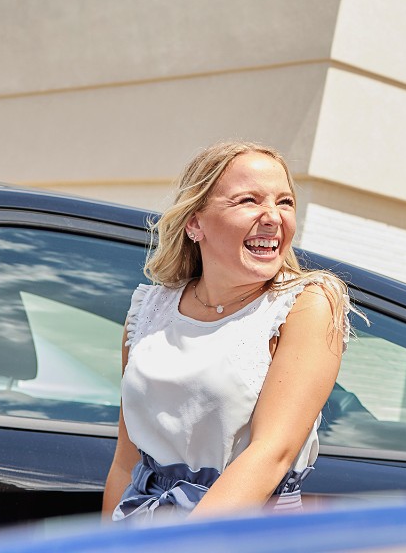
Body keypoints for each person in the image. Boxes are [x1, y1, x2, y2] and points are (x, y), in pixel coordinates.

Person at [102, 141, 356, 521]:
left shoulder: (306, 304)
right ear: (195, 222)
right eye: (249, 200)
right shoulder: (148, 310)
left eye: (285, 202)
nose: (273, 216)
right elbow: (126, 460)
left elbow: (271, 453)